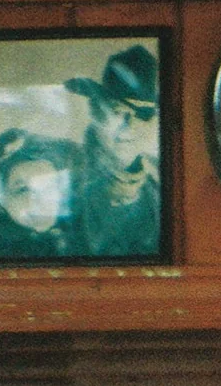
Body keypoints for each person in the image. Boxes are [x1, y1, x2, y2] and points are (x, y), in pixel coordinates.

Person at [63, 43, 160, 259]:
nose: (131, 125)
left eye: (144, 115)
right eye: (118, 111)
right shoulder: (64, 171)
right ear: (96, 111)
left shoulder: (161, 174)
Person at [0, 130, 76, 258]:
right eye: (22, 190)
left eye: (48, 187)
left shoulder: (82, 238)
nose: (36, 202)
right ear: (2, 198)